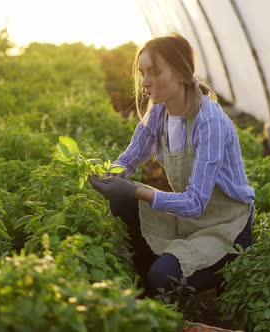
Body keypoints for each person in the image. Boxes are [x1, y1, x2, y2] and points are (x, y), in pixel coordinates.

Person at [88, 33, 255, 296]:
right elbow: (130, 158)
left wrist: (134, 190)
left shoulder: (209, 122)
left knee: (163, 278)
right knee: (122, 201)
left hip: (225, 226)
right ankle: (148, 279)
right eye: (142, 73)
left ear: (180, 72)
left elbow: (196, 203)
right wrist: (108, 176)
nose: (144, 82)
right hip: (188, 218)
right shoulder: (160, 110)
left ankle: (225, 265)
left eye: (153, 72)